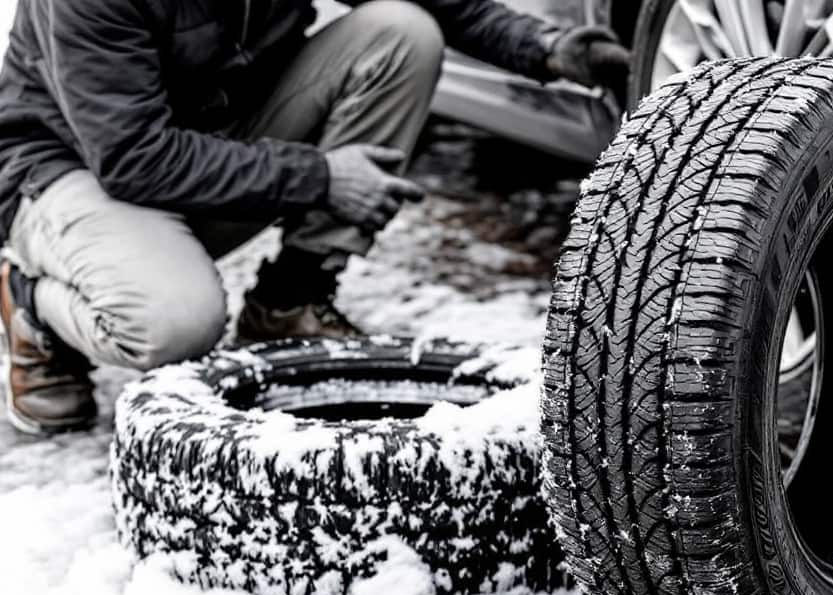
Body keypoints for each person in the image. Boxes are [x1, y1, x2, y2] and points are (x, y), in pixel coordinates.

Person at [0, 0, 629, 435]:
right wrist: (322, 177)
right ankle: (30, 302)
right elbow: (133, 157)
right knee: (172, 326)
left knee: (399, 31)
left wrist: (546, 48)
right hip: (68, 167)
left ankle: (289, 297)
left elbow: (435, 2)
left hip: (212, 139)